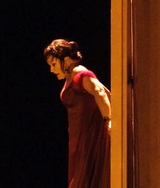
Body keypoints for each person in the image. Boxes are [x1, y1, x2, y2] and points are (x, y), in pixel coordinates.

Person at [43, 38, 111, 188]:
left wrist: (108, 120)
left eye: (53, 64)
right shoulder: (71, 77)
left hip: (88, 136)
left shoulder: (78, 72)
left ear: (66, 60)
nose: (52, 70)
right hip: (79, 139)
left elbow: (100, 92)